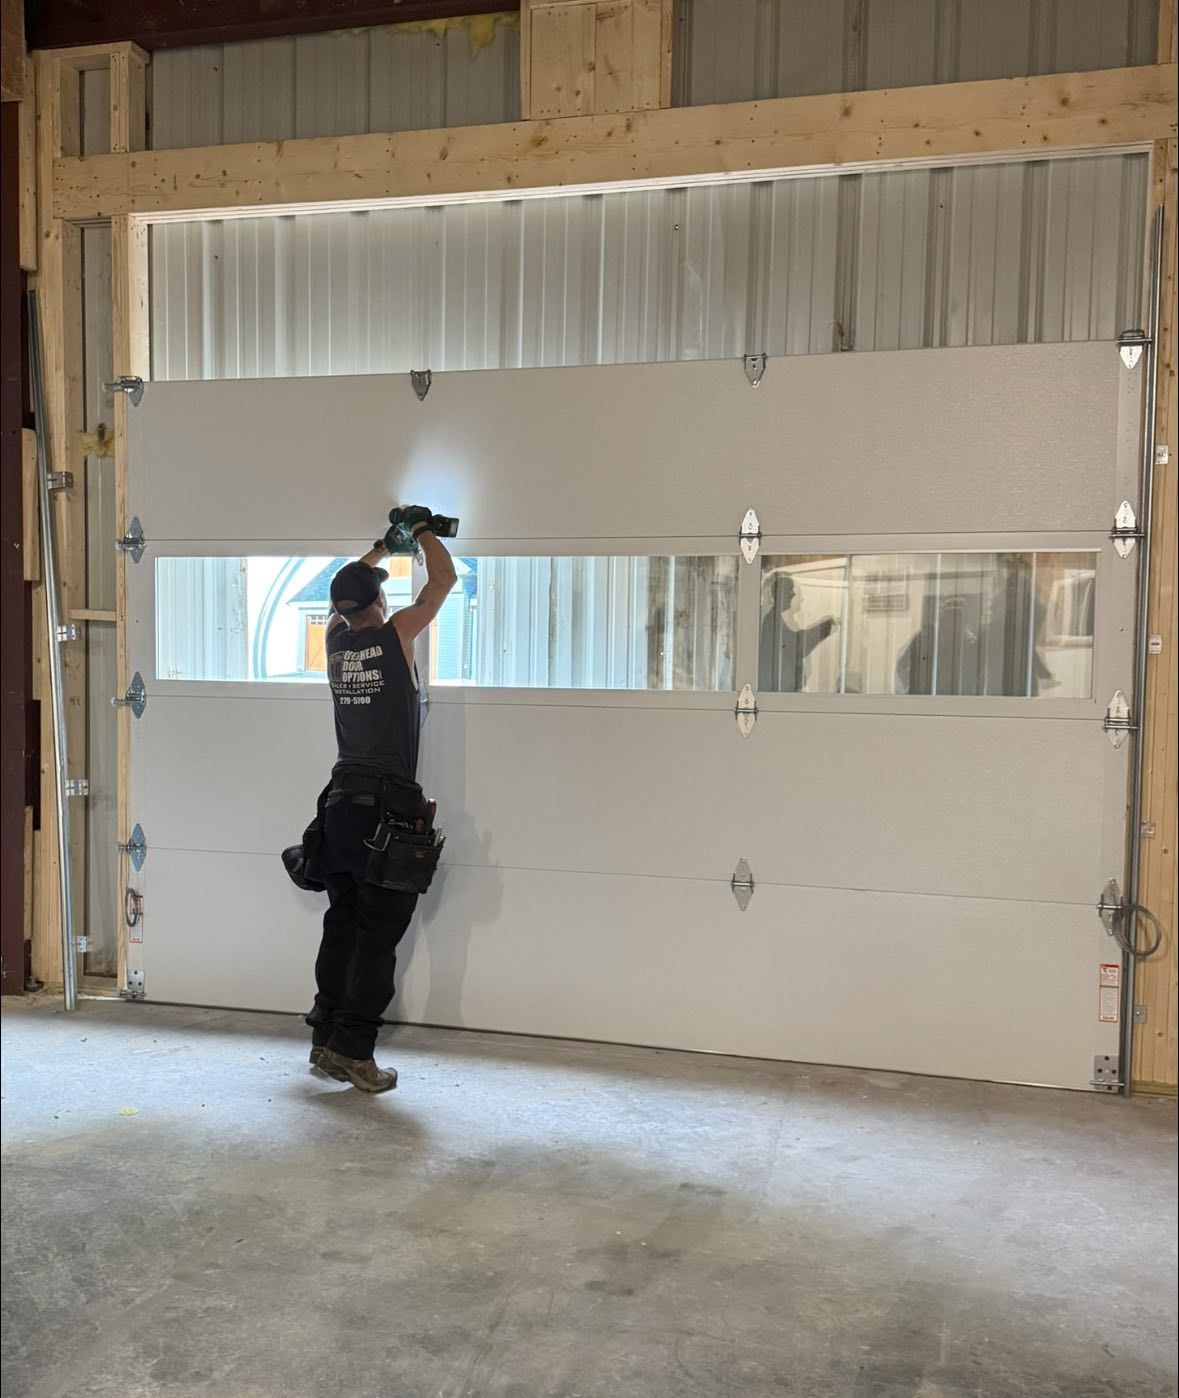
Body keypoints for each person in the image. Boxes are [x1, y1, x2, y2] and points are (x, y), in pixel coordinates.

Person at [305, 510, 457, 1092]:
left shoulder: (335, 638)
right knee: (377, 938)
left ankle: (324, 1039)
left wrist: (377, 550)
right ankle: (354, 1050)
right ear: (379, 603)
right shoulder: (396, 636)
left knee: (341, 925)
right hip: (387, 811)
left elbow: (342, 589)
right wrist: (419, 533)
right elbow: (442, 582)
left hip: (340, 809)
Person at [759, 572, 837, 693]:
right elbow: (796, 646)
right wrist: (825, 627)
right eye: (793, 592)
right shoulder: (772, 621)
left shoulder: (784, 620)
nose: (799, 598)